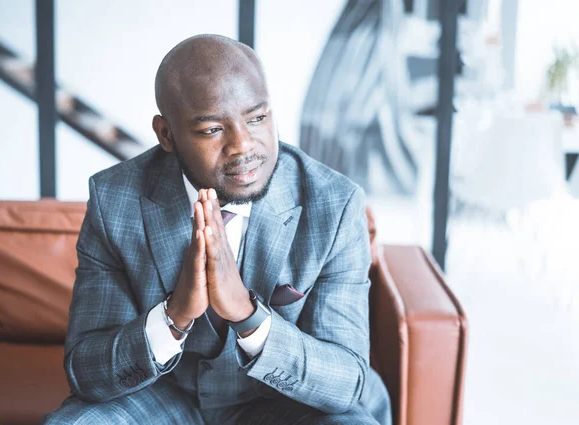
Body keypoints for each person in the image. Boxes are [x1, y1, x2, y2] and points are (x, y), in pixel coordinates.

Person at [44, 34, 391, 425]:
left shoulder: (334, 204)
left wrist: (247, 313)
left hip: (282, 405)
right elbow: (87, 373)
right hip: (163, 399)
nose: (243, 146)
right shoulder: (114, 199)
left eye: (257, 118)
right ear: (167, 135)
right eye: (212, 130)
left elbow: (348, 383)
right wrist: (174, 317)